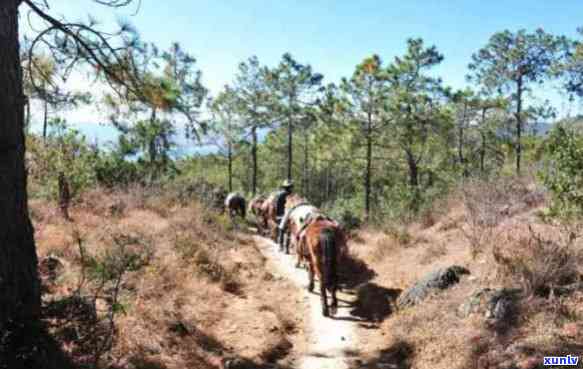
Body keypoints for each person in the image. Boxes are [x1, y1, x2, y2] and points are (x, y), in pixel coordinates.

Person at [275, 180, 294, 248]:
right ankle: (286, 247)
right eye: (290, 187)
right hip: (290, 213)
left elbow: (277, 205)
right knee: (288, 230)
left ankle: (281, 245)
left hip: (284, 213)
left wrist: (277, 214)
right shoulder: (291, 194)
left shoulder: (281, 194)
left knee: (281, 228)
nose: (291, 188)